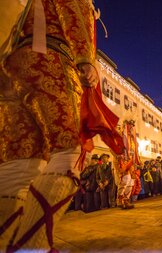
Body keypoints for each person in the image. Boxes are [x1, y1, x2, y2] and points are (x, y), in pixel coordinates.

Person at [0, 0, 99, 251]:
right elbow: (70, 13)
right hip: (47, 57)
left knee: (20, 168)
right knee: (73, 151)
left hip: (11, 69)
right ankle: (32, 246)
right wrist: (85, 59)